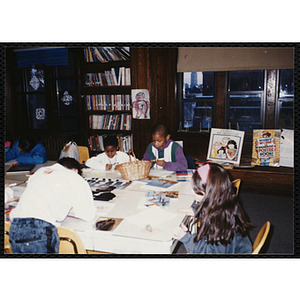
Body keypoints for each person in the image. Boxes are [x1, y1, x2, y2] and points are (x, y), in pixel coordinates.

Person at [9, 157, 96, 254]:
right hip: (38, 230)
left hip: (14, 227)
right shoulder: (74, 176)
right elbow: (88, 215)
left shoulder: (40, 171)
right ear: (76, 170)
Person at [173, 163, 252, 254]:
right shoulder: (225, 202)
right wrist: (196, 210)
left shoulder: (220, 226)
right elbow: (211, 209)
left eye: (196, 190)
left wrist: (186, 238)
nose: (192, 192)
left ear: (209, 194)